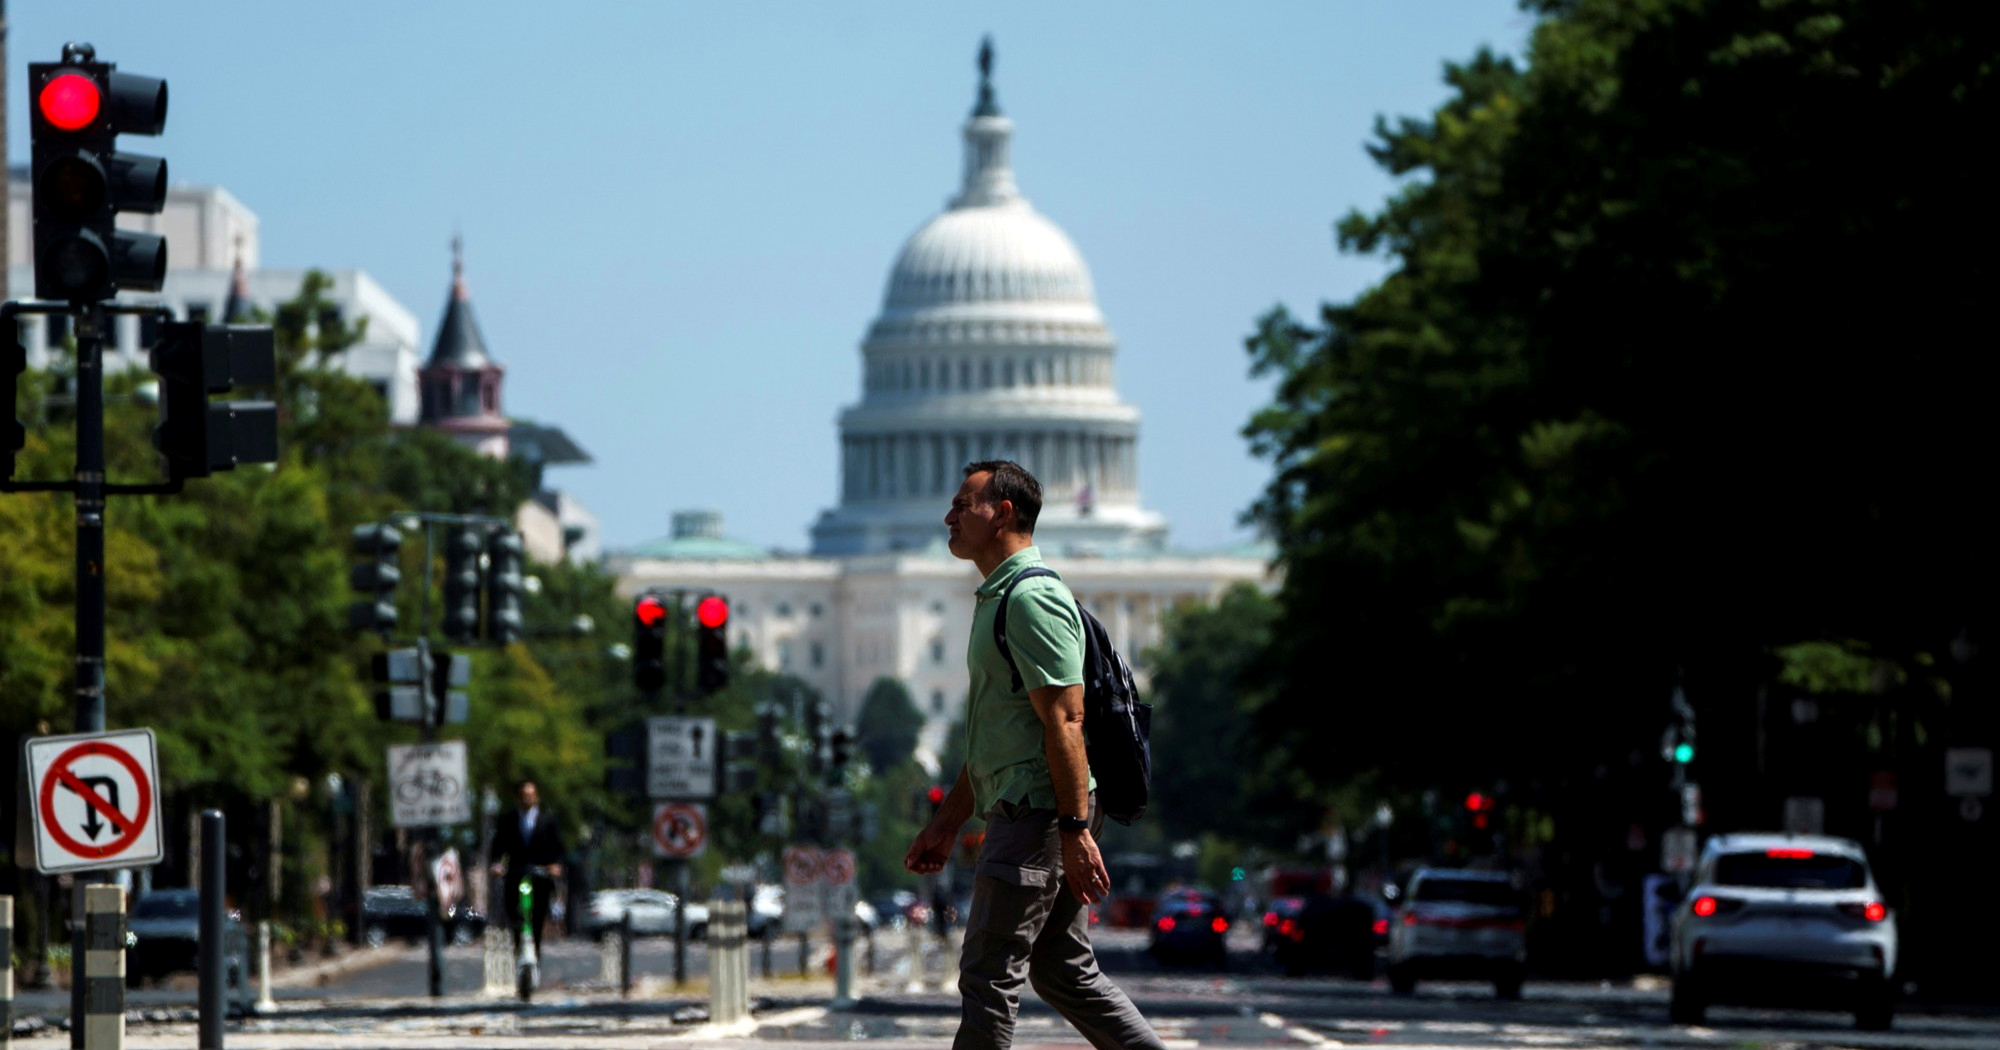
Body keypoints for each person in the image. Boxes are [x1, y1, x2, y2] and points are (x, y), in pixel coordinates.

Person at [906, 460, 1167, 1050]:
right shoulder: (999, 598)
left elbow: (1066, 721)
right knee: (1061, 971)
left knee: (988, 972)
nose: (948, 517)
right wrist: (946, 823)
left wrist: (1074, 830)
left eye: (962, 505)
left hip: (1037, 812)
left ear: (1002, 513)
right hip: (1037, 805)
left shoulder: (1031, 599)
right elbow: (997, 740)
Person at [489, 778, 565, 953]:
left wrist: (556, 865)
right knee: (514, 912)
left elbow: (559, 848)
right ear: (518, 798)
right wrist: (497, 865)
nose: (527, 799)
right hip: (516, 873)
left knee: (537, 915)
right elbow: (497, 847)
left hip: (541, 875)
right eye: (524, 795)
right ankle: (518, 949)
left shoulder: (548, 820)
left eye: (530, 795)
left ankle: (535, 952)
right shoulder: (509, 820)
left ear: (536, 797)